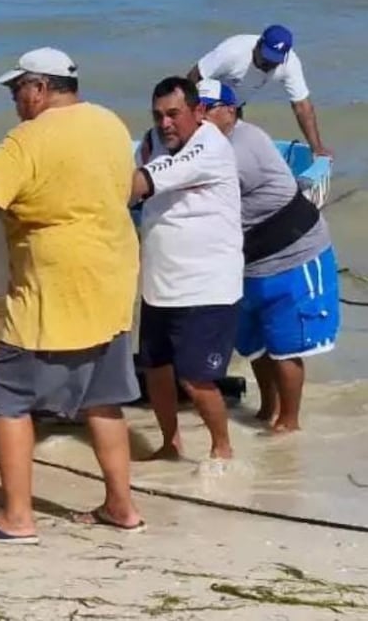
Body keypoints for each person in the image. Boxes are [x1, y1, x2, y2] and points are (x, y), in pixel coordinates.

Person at [0, 47, 145, 543]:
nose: (15, 101)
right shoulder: (111, 124)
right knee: (103, 400)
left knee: (7, 399)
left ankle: (17, 517)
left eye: (17, 90)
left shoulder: (27, 138)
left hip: (52, 288)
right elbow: (124, 188)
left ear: (39, 87)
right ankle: (122, 506)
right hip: (112, 277)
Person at [198, 79, 340, 432]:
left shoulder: (240, 147)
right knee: (255, 344)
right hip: (249, 260)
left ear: (230, 111)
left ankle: (289, 421)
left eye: (207, 108)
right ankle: (266, 409)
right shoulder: (205, 144)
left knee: (285, 346)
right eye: (194, 108)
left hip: (294, 253)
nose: (199, 116)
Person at [130, 76, 242, 462]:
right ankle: (170, 445)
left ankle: (222, 451)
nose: (165, 124)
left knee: (195, 379)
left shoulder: (210, 148)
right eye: (158, 115)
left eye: (174, 115)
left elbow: (140, 183)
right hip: (160, 284)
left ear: (198, 112)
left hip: (206, 286)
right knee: (156, 369)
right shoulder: (153, 141)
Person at [187, 24, 331, 157]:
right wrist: (191, 117)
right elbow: (193, 77)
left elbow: (302, 106)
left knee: (237, 150)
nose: (268, 65)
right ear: (258, 45)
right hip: (209, 105)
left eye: (274, 62)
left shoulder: (290, 64)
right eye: (265, 58)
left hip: (235, 106)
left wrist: (317, 148)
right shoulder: (233, 52)